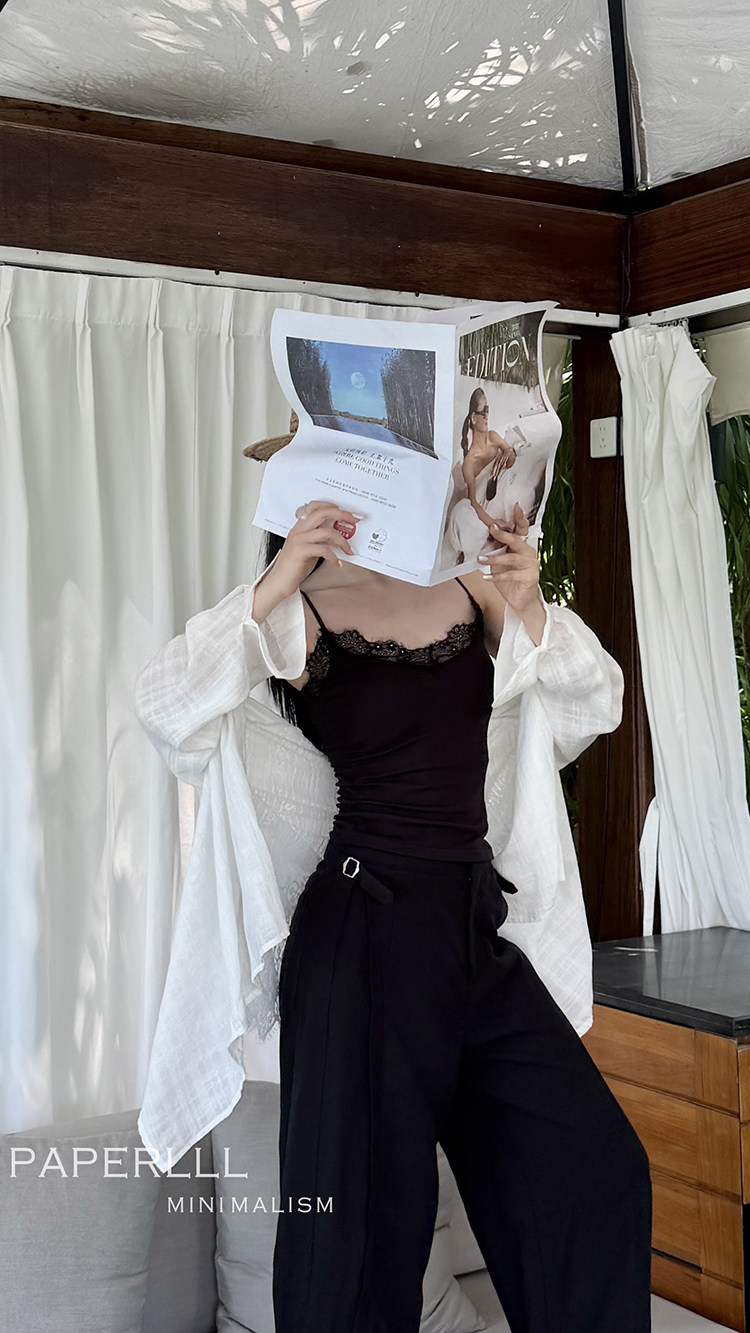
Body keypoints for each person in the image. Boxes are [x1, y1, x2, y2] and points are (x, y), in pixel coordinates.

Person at [133, 498, 652, 1333]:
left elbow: (600, 704)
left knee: (594, 1171)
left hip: (471, 928)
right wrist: (276, 579)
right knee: (359, 1247)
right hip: (361, 932)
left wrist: (531, 604)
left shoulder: (470, 585)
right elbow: (164, 705)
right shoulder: (301, 611)